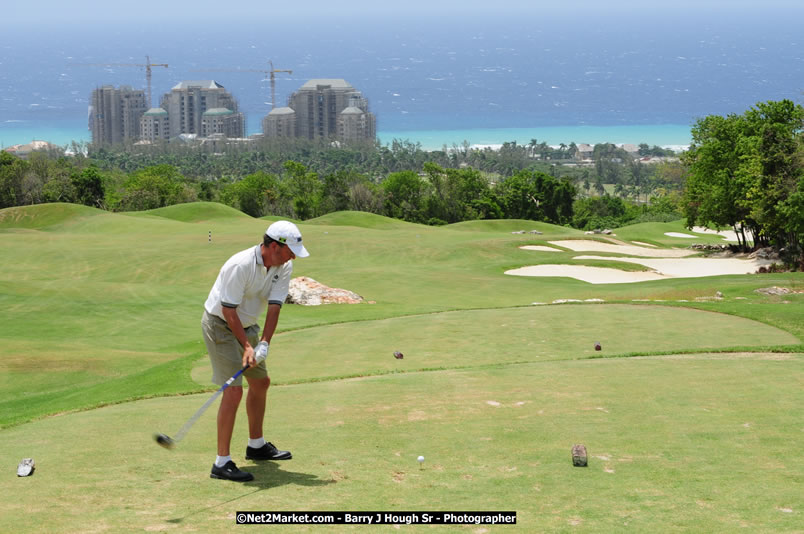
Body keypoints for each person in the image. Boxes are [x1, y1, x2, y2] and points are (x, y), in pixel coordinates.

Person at [201, 220, 309, 482]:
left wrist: (264, 343)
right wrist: (247, 346)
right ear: (273, 246)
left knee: (261, 383)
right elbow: (228, 310)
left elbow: (274, 306)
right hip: (220, 325)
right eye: (289, 251)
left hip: (247, 324)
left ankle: (256, 445)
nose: (293, 256)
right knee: (233, 390)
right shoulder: (240, 265)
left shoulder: (284, 265)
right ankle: (221, 463)